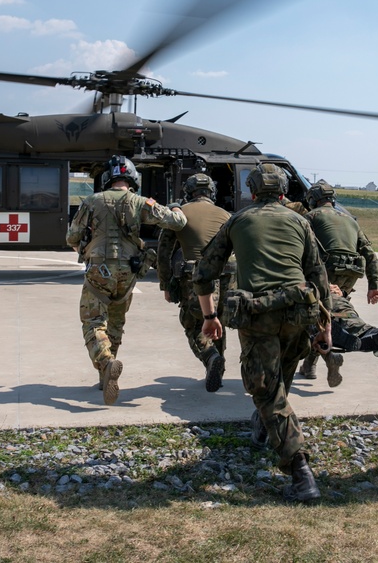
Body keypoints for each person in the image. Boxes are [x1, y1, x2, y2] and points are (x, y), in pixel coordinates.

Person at [193, 163, 332, 502]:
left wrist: (210, 316)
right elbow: (319, 275)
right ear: (284, 192)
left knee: (267, 392)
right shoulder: (301, 221)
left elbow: (203, 272)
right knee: (279, 383)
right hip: (299, 313)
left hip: (258, 317)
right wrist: (325, 327)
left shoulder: (238, 221)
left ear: (252, 192)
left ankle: (300, 472)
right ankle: (263, 429)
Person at [66, 155, 187, 405]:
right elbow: (178, 222)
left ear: (107, 179)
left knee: (93, 322)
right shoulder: (141, 202)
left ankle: (107, 363)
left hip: (99, 271)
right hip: (128, 272)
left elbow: (72, 236)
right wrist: (175, 207)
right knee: (116, 324)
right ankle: (105, 377)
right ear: (132, 179)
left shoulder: (91, 201)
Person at [297, 180, 378, 388]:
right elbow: (370, 254)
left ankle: (330, 357)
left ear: (312, 200)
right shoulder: (350, 220)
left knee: (315, 316)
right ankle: (309, 366)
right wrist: (374, 284)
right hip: (351, 272)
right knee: (331, 314)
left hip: (325, 270)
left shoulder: (310, 217)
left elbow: (299, 246)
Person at [156, 173, 233, 392]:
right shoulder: (226, 214)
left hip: (195, 275)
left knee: (193, 323)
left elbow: (164, 252)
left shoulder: (179, 214)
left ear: (188, 192)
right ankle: (218, 365)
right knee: (217, 320)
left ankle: (210, 357)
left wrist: (166, 285)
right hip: (228, 275)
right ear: (212, 193)